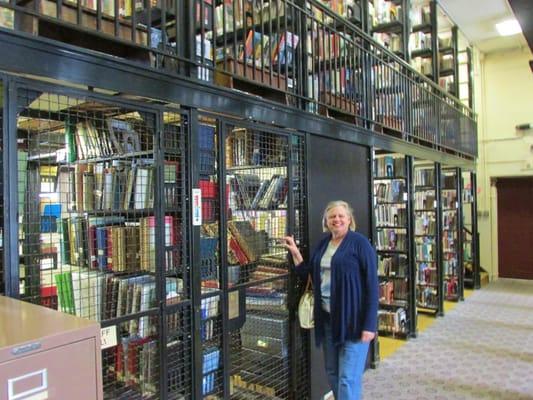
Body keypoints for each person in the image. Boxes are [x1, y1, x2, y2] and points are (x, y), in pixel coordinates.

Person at [282, 200, 378, 400]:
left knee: (347, 379)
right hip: (327, 320)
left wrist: (370, 325)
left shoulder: (360, 243)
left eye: (341, 216)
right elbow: (309, 274)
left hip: (354, 322)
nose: (337, 220)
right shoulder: (324, 244)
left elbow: (372, 285)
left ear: (349, 219)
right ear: (326, 221)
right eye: (332, 216)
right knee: (333, 373)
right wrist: (295, 252)